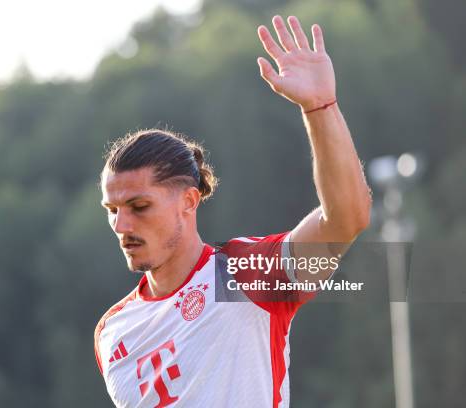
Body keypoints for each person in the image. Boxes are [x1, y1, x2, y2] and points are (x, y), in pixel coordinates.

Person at [94, 15, 372, 407]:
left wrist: (320, 108)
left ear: (189, 201)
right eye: (112, 209)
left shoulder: (240, 275)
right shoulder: (112, 332)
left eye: (139, 206)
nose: (122, 224)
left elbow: (345, 220)